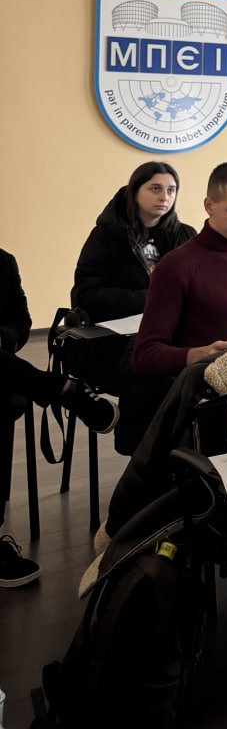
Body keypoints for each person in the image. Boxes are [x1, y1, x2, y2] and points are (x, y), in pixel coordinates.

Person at [122, 161, 227, 452]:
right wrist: (198, 355)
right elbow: (144, 354)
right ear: (209, 206)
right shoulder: (176, 266)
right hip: (214, 402)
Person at [2, 247, 117, 587]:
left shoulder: (3, 262)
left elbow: (20, 323)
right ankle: (64, 390)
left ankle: (62, 390)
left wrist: (2, 338)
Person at [72, 161, 196, 322]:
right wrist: (149, 299)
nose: (164, 197)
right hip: (119, 330)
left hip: (174, 327)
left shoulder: (185, 235)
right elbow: (85, 296)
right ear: (135, 191)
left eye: (171, 190)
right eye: (155, 189)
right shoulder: (106, 234)